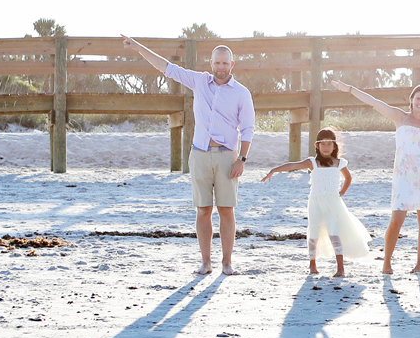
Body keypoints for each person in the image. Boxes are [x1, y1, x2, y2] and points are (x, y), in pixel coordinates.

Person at [121, 34, 254, 275]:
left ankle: (226, 262)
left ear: (232, 65)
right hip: (200, 153)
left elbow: (247, 129)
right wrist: (139, 47)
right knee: (203, 209)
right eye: (217, 62)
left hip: (227, 157)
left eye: (226, 63)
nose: (221, 67)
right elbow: (168, 68)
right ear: (211, 63)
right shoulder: (200, 81)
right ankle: (206, 262)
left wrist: (241, 160)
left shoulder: (242, 93)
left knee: (226, 210)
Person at [327, 79, 420, 274]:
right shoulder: (400, 117)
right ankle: (386, 263)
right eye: (418, 98)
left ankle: (419, 265)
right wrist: (350, 88)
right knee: (396, 219)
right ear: (411, 100)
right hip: (403, 176)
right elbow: (374, 102)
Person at [262, 128, 370, 277]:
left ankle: (340, 268)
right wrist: (274, 170)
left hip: (333, 202)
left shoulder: (339, 163)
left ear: (334, 146)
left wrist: (342, 192)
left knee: (334, 233)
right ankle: (312, 264)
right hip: (315, 201)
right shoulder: (312, 162)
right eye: (322, 144)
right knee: (314, 232)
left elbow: (348, 178)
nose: (326, 147)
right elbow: (293, 165)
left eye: (329, 144)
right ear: (317, 145)